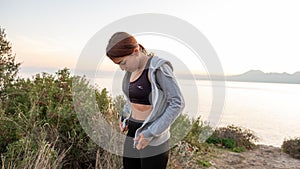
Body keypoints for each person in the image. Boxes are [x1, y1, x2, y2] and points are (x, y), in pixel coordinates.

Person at [106, 32, 185, 169]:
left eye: (123, 62)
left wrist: (150, 133)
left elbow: (177, 103)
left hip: (153, 137)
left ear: (135, 51)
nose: (122, 68)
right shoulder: (130, 71)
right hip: (133, 132)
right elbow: (130, 99)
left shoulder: (158, 68)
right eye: (119, 64)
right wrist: (124, 116)